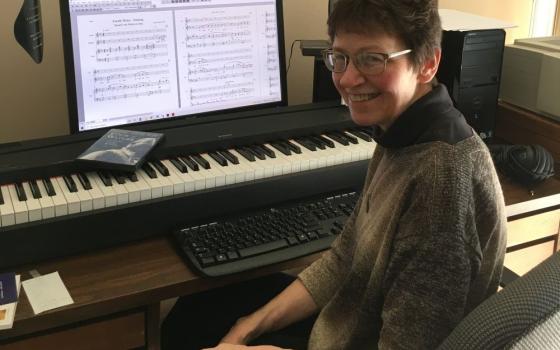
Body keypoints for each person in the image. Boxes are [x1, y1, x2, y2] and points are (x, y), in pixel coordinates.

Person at [161, 0, 507, 349]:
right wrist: (248, 327)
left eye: (372, 59)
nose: (347, 78)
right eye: (340, 57)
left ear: (428, 64)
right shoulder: (401, 131)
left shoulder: (440, 181)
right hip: (349, 318)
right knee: (195, 310)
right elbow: (345, 256)